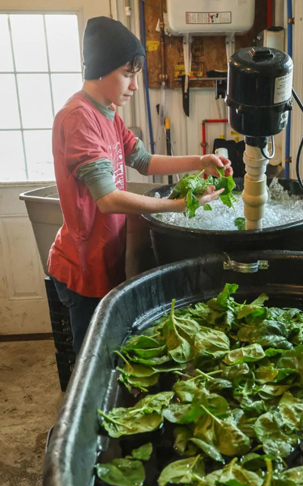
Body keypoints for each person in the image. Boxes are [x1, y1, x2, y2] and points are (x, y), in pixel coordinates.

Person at [48, 16, 232, 355]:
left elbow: (145, 162)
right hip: (82, 265)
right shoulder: (78, 118)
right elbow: (108, 200)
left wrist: (200, 160)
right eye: (128, 75)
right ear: (102, 70)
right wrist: (178, 207)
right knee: (91, 356)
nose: (134, 86)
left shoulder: (108, 114)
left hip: (104, 257)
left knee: (108, 346)